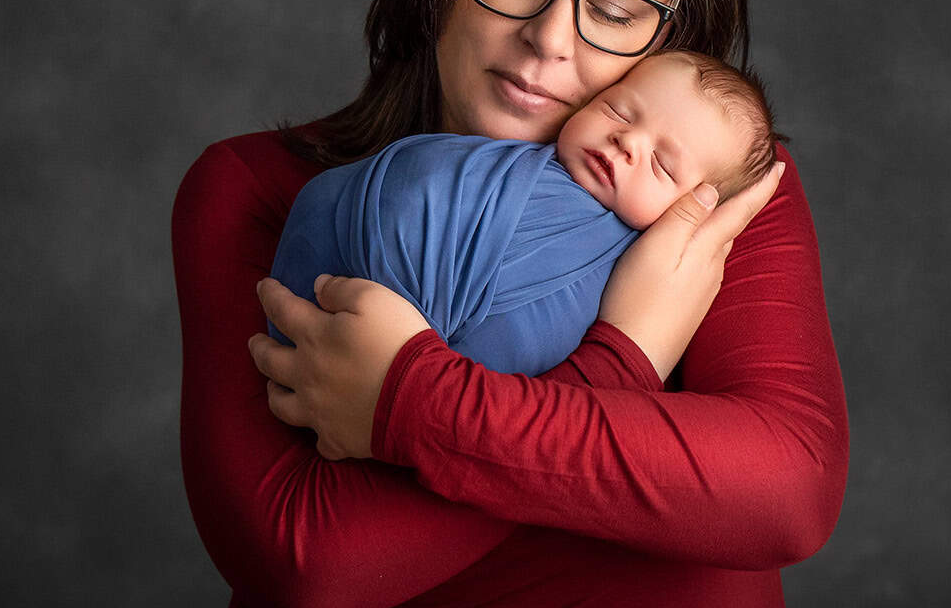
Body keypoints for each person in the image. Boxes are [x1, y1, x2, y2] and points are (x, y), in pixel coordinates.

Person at [173, 0, 848, 608]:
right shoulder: (257, 188)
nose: (552, 39)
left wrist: (411, 400)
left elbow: (786, 491)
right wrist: (623, 360)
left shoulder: (709, 190)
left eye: (616, 10)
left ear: (670, 35)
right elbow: (307, 565)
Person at [266, 49, 780, 379]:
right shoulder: (518, 153)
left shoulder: (645, 269)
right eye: (618, 111)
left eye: (662, 165)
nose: (628, 141)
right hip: (328, 282)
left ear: (696, 210)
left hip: (436, 383)